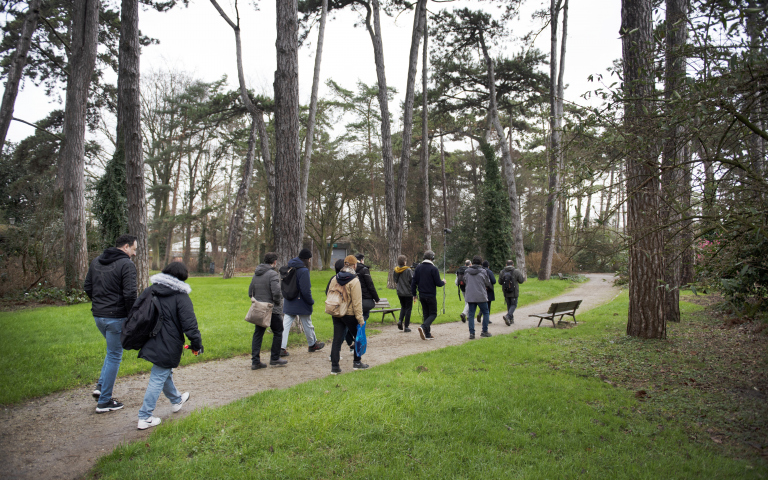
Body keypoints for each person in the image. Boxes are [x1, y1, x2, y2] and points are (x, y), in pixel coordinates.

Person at [136, 262, 202, 430]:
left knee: (163, 371)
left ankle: (176, 399)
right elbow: (190, 324)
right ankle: (145, 416)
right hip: (169, 341)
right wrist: (196, 344)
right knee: (158, 376)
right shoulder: (181, 296)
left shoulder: (151, 290)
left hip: (151, 338)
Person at [83, 234, 138, 413]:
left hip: (99, 316)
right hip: (116, 317)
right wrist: (131, 316)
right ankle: (104, 401)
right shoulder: (126, 265)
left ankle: (100, 387)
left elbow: (87, 287)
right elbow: (130, 294)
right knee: (115, 354)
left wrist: (100, 305)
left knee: (112, 351)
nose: (135, 253)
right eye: (134, 249)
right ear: (126, 247)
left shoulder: (96, 261)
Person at [327, 255, 367, 374]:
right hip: (349, 314)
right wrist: (360, 319)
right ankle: (357, 362)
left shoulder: (335, 278)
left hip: (337, 312)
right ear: (354, 265)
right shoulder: (354, 280)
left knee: (337, 339)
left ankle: (335, 367)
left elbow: (329, 294)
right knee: (358, 337)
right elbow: (357, 302)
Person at [281, 248, 324, 356]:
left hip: (289, 298)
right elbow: (305, 289)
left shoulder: (289, 267)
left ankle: (281, 347)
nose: (309, 261)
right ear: (307, 259)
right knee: (307, 324)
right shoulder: (303, 270)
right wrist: (310, 301)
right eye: (309, 259)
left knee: (285, 325)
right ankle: (312, 344)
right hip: (301, 301)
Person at [248, 252, 287, 370]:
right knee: (278, 330)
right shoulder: (273, 274)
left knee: (258, 334)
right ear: (274, 262)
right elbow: (276, 292)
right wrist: (277, 301)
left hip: (259, 307)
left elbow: (250, 292)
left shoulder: (256, 274)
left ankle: (255, 361)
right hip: (271, 308)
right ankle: (274, 358)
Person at [411, 250, 446, 340]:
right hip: (430, 295)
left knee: (426, 314)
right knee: (433, 314)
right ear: (432, 258)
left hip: (421, 295)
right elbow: (438, 283)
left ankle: (427, 334)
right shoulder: (433, 269)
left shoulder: (418, 268)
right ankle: (423, 327)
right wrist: (443, 282)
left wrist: (414, 294)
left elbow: (413, 282)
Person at [325, 258, 355, 359]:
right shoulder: (348, 278)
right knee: (341, 333)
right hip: (344, 309)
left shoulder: (333, 279)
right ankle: (334, 355)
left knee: (343, 331)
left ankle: (351, 346)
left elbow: (327, 292)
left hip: (335, 309)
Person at [464, 255, 492, 339]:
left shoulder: (467, 271)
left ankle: (472, 333)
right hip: (481, 295)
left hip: (470, 295)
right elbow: (487, 283)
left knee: (471, 314)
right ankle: (484, 331)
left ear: (472, 262)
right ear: (481, 262)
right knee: (486, 312)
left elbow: (465, 280)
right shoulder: (483, 271)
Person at [499, 260, 526, 325]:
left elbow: (500, 282)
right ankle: (508, 316)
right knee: (513, 305)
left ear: (506, 265)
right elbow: (521, 281)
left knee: (509, 305)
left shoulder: (502, 272)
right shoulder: (516, 271)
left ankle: (510, 319)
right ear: (513, 265)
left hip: (506, 292)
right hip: (514, 291)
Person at [354, 253, 380, 322]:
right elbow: (370, 285)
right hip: (365, 297)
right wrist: (376, 298)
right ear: (362, 260)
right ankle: (360, 329)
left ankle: (357, 329)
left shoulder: (352, 269)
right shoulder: (364, 269)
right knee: (365, 314)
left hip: (354, 296)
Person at [393, 255, 414, 332]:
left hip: (400, 292)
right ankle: (406, 326)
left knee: (403, 307)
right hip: (408, 292)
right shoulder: (408, 270)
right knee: (408, 308)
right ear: (404, 262)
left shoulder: (395, 270)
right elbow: (412, 281)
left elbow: (395, 280)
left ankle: (400, 320)